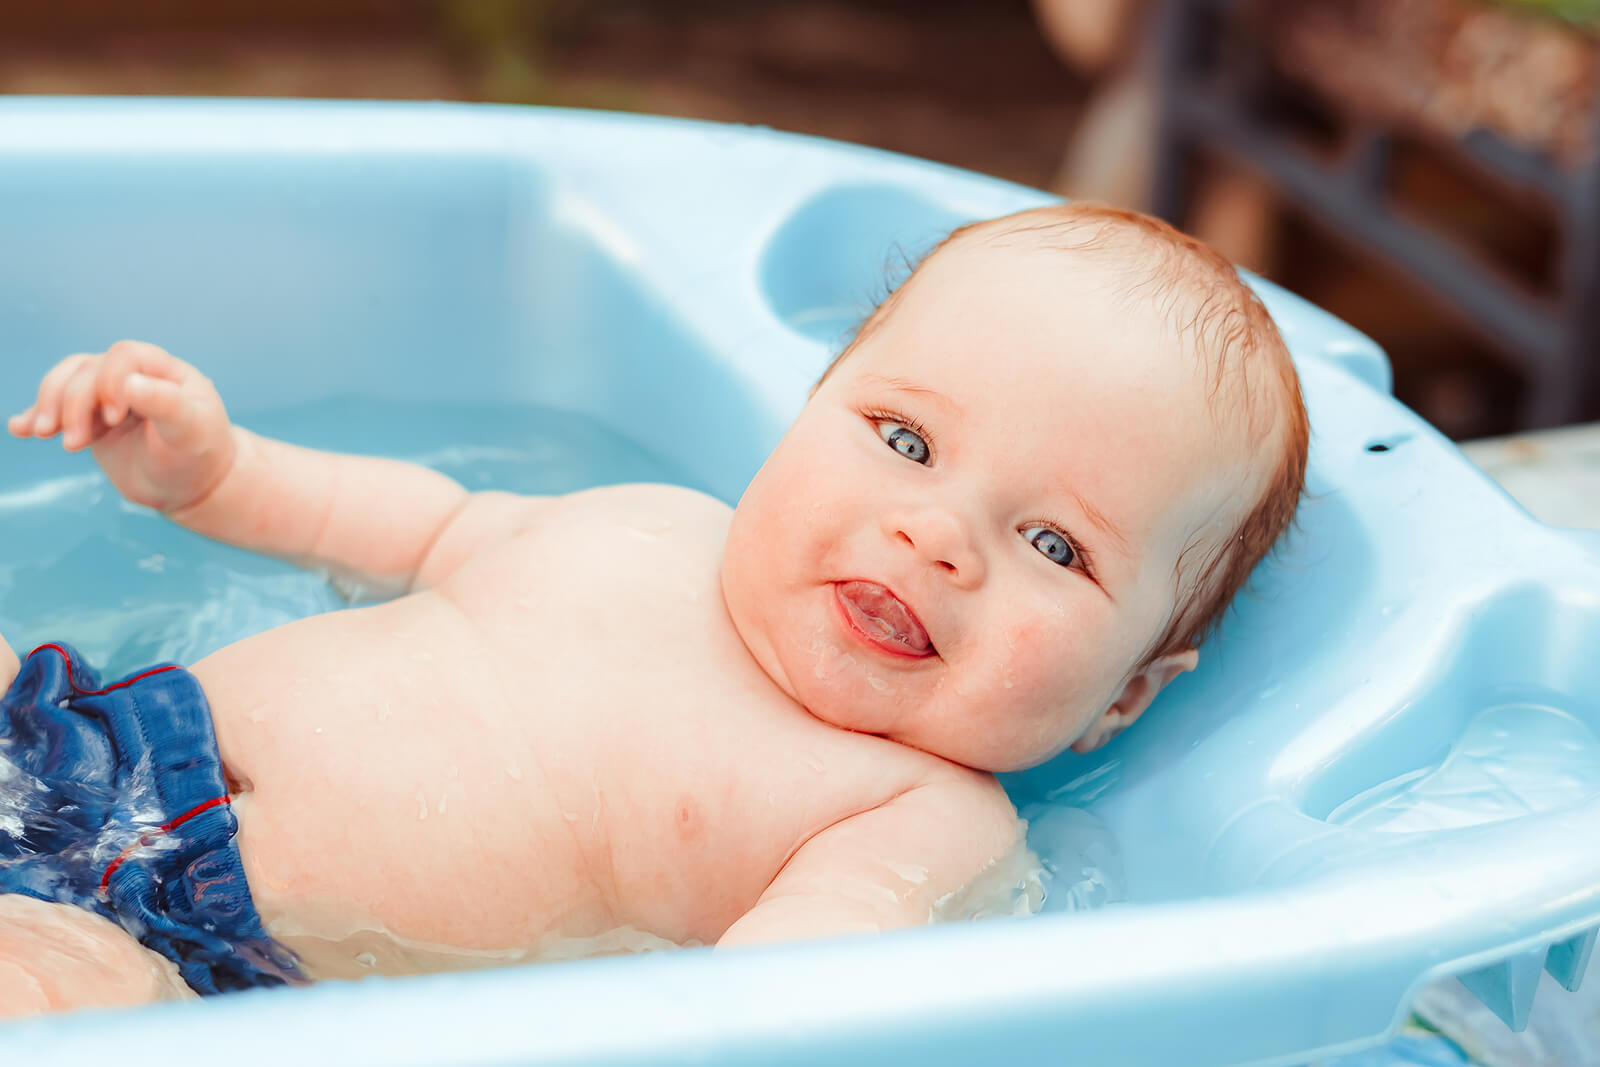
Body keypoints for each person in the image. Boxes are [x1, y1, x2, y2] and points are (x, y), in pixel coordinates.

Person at [0, 201, 1308, 1016]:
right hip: (86, 736)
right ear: (805, 413)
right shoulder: (650, 526)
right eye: (905, 441)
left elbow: (783, 998)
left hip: (193, 947)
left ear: (1127, 692)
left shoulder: (914, 813)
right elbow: (402, 525)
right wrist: (216, 473)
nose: (936, 535)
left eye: (1053, 543)